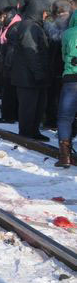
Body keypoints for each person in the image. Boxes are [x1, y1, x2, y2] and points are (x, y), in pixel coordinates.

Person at [11, 0, 50, 140]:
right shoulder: (29, 26)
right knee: (29, 107)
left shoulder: (34, 25)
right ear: (38, 11)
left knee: (37, 106)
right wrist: (39, 73)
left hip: (32, 75)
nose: (46, 14)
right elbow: (30, 52)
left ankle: (34, 131)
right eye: (44, 12)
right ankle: (26, 134)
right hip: (27, 77)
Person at [43, 0, 72, 129]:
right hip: (59, 66)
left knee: (57, 96)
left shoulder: (56, 25)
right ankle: (52, 120)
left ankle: (53, 120)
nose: (62, 15)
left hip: (60, 66)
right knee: (56, 96)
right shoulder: (58, 24)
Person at [56, 10, 77, 168]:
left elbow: (64, 56)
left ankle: (65, 156)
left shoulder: (67, 34)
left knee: (65, 118)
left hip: (71, 79)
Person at [0, 0, 21, 124]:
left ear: (7, 15)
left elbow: (11, 50)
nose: (0, 19)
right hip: (8, 65)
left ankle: (9, 116)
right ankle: (10, 114)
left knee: (9, 92)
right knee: (9, 92)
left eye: (1, 16)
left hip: (10, 67)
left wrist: (6, 66)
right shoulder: (9, 26)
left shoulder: (14, 27)